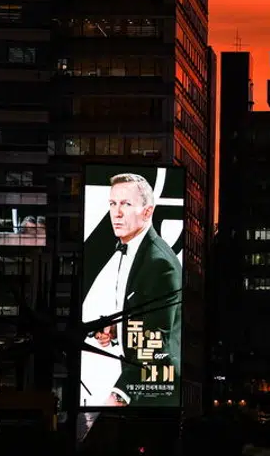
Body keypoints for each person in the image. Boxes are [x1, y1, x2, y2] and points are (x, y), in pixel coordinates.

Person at [86, 173, 181, 406]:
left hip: (156, 392)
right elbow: (144, 313)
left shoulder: (160, 264)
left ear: (147, 212)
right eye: (113, 203)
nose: (116, 213)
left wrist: (118, 396)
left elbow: (156, 341)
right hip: (142, 384)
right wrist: (116, 328)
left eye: (126, 204)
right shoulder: (134, 247)